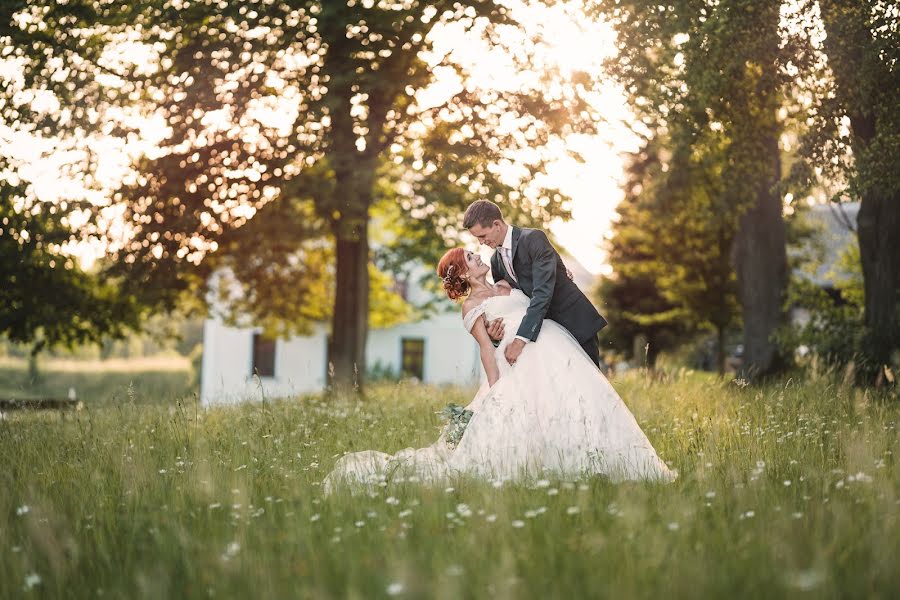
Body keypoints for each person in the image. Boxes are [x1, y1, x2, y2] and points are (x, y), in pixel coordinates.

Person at [323, 245, 676, 492]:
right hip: (517, 364)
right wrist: (494, 387)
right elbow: (486, 351)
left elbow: (541, 290)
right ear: (462, 273)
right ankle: (547, 469)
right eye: (471, 258)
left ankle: (601, 464)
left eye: (476, 253)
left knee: (572, 403)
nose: (479, 257)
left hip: (552, 349)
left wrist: (559, 271)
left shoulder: (506, 284)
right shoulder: (472, 306)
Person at [463, 200, 607, 368]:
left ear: (496, 224)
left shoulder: (533, 239)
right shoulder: (496, 262)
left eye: (482, 236)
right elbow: (508, 306)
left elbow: (542, 293)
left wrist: (520, 340)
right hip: (543, 339)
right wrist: (496, 339)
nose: (481, 242)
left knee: (588, 383)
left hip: (573, 323)